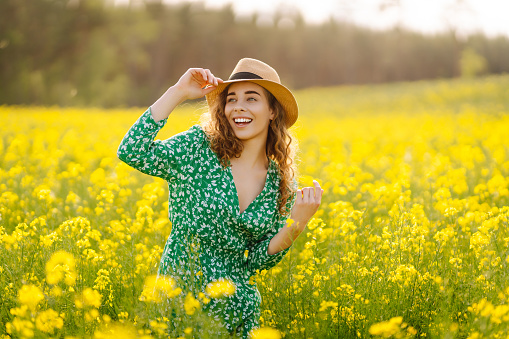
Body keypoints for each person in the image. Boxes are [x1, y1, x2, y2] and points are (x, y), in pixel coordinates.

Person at [117, 58, 323, 338]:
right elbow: (132, 150)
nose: (238, 106)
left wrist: (296, 223)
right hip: (178, 308)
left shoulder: (280, 181)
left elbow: (257, 260)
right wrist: (178, 91)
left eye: (252, 98)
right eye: (232, 99)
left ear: (272, 111)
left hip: (237, 315)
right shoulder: (198, 149)